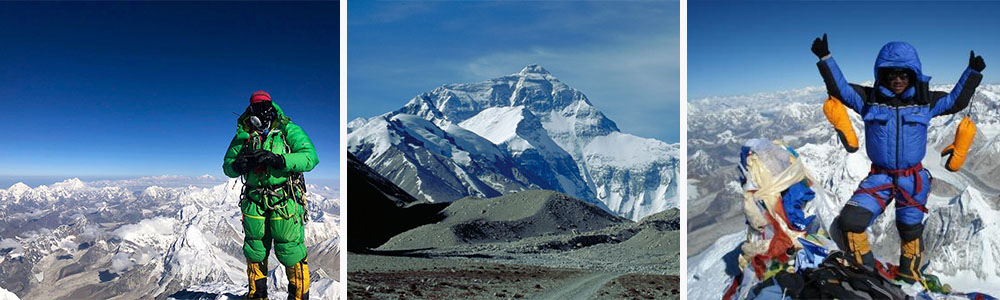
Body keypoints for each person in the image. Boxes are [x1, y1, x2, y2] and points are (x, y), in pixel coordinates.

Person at [812, 34, 984, 284]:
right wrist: (825, 58)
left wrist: (972, 73)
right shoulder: (868, 100)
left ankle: (910, 279)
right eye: (892, 74)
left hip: (912, 178)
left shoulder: (926, 101)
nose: (898, 80)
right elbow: (840, 89)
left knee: (910, 230)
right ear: (882, 75)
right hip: (879, 177)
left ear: (913, 74)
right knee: (850, 222)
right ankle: (866, 276)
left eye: (904, 74)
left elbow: (955, 101)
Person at [223, 91, 319, 300]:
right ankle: (257, 295)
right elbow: (228, 167)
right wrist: (238, 165)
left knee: (290, 250)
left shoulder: (288, 130)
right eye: (255, 107)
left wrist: (279, 160)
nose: (260, 112)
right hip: (255, 201)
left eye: (263, 106)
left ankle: (298, 297)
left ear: (271, 108)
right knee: (255, 249)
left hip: (284, 200)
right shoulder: (244, 136)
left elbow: (310, 158)